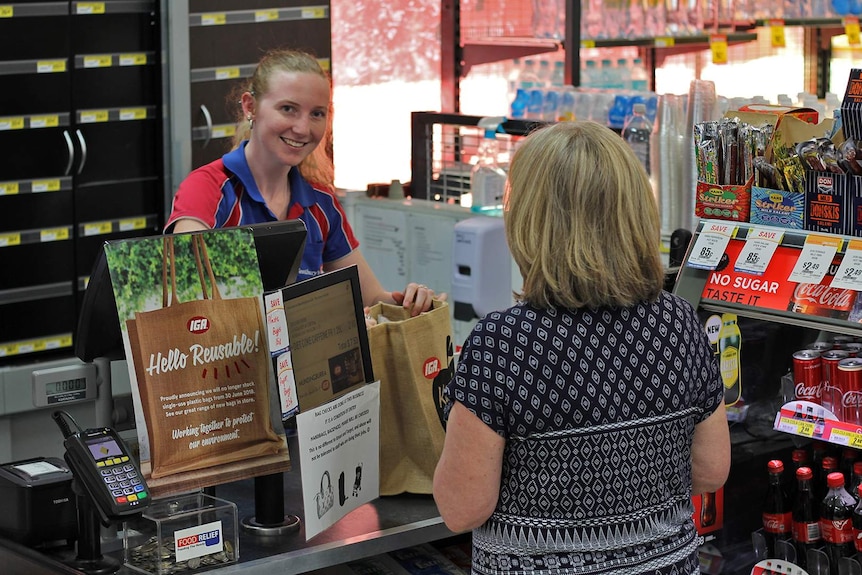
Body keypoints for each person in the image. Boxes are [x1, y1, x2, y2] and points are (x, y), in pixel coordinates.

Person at [433, 121, 730, 574]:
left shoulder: (503, 344)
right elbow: (711, 472)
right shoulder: (679, 321)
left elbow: (461, 508)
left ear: (530, 219)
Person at [165, 48, 440, 315]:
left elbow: (373, 299)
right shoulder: (207, 188)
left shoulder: (322, 204)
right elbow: (186, 287)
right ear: (250, 107)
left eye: (317, 114)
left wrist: (412, 304)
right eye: (288, 109)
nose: (303, 128)